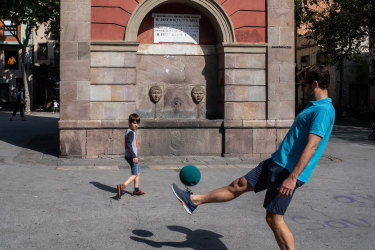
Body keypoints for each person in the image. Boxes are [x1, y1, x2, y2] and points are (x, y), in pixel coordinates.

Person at [171, 65, 335, 250]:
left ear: (315, 84)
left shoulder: (323, 110)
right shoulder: (313, 106)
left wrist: (292, 177)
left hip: (288, 170)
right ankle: (193, 201)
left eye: (303, 84)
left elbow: (312, 146)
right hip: (277, 162)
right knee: (238, 185)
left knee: (274, 219)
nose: (301, 88)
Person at [117, 113, 145, 199]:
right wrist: (134, 156)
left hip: (130, 156)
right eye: (134, 123)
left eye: (137, 123)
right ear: (129, 123)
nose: (136, 125)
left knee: (138, 172)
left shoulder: (129, 131)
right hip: (131, 157)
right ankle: (122, 187)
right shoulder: (131, 133)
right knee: (135, 173)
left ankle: (136, 190)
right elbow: (129, 145)